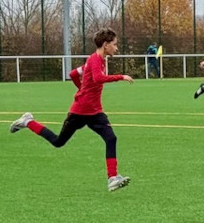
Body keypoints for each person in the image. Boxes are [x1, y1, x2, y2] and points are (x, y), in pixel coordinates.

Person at [10, 27, 133, 191]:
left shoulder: (96, 60)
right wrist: (121, 76)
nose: (116, 48)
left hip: (95, 112)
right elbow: (98, 78)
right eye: (115, 44)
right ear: (105, 45)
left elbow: (74, 73)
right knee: (58, 142)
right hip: (80, 111)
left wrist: (81, 88)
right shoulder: (95, 60)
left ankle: (112, 178)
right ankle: (28, 122)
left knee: (111, 138)